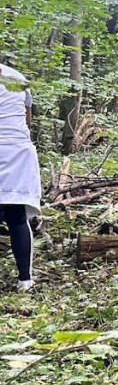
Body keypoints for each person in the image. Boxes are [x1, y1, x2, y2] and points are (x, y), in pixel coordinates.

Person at [0, 63, 42, 292]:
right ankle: (24, 280)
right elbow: (27, 118)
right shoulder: (16, 77)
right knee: (16, 218)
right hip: (17, 150)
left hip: (11, 149)